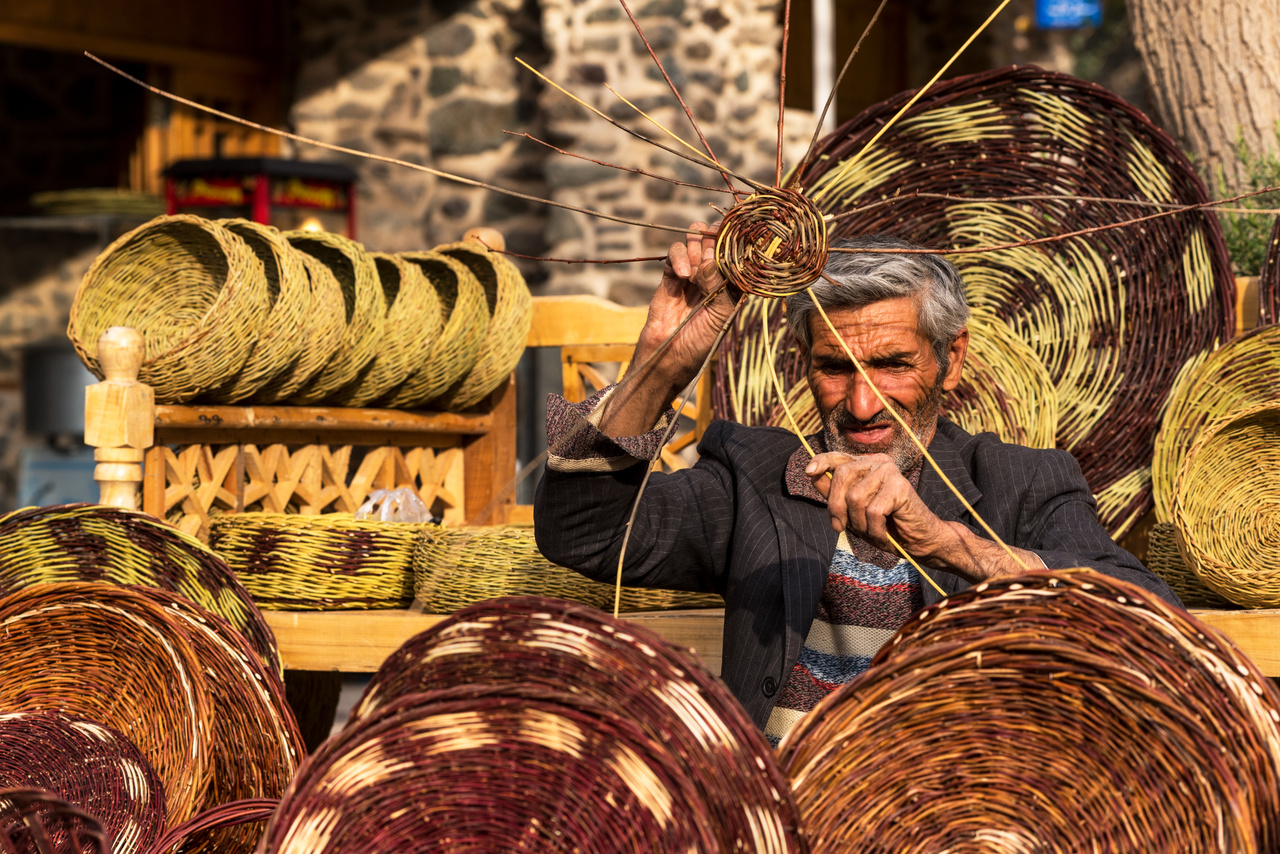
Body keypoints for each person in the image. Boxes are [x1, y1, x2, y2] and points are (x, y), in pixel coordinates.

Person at [533, 222, 1179, 743]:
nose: (864, 405)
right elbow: (581, 533)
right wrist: (661, 364)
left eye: (892, 364)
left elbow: (1155, 619)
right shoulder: (756, 476)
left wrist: (946, 543)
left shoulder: (1023, 481)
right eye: (835, 367)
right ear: (804, 364)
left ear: (950, 360)